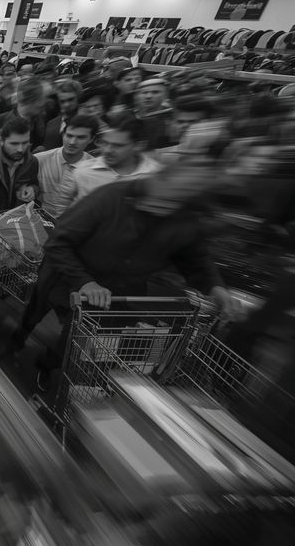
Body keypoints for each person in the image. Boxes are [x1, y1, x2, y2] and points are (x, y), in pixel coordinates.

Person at [15, 162, 240, 390]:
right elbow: (58, 242)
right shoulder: (110, 198)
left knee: (75, 337)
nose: (163, 206)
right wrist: (85, 281)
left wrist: (215, 287)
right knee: (36, 311)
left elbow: (195, 258)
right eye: (164, 198)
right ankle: (18, 338)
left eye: (175, 202)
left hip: (115, 294)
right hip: (66, 277)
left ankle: (47, 365)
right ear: (157, 181)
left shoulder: (185, 219)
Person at [49, 112, 162, 217]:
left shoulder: (156, 176)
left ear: (139, 146)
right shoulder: (81, 171)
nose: (107, 150)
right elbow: (60, 210)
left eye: (117, 146)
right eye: (105, 143)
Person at [35, 114, 100, 209]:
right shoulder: (39, 159)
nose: (72, 142)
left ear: (91, 139)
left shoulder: (95, 169)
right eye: (69, 136)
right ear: (63, 135)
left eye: (81, 137)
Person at [156, 96, 213, 164]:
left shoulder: (223, 153)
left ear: (208, 123)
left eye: (193, 122)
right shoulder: (161, 157)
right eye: (180, 122)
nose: (185, 126)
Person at [0, 78, 49, 152]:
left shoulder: (41, 117)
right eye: (42, 98)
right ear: (29, 100)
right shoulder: (2, 122)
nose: (45, 102)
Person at [43, 79, 82, 150]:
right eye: (62, 101)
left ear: (79, 97)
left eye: (71, 99)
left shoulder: (88, 120)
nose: (66, 104)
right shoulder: (51, 124)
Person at [135, 78, 173, 150]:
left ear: (165, 95)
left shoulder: (170, 119)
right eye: (144, 92)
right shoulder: (129, 115)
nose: (148, 96)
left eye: (155, 92)